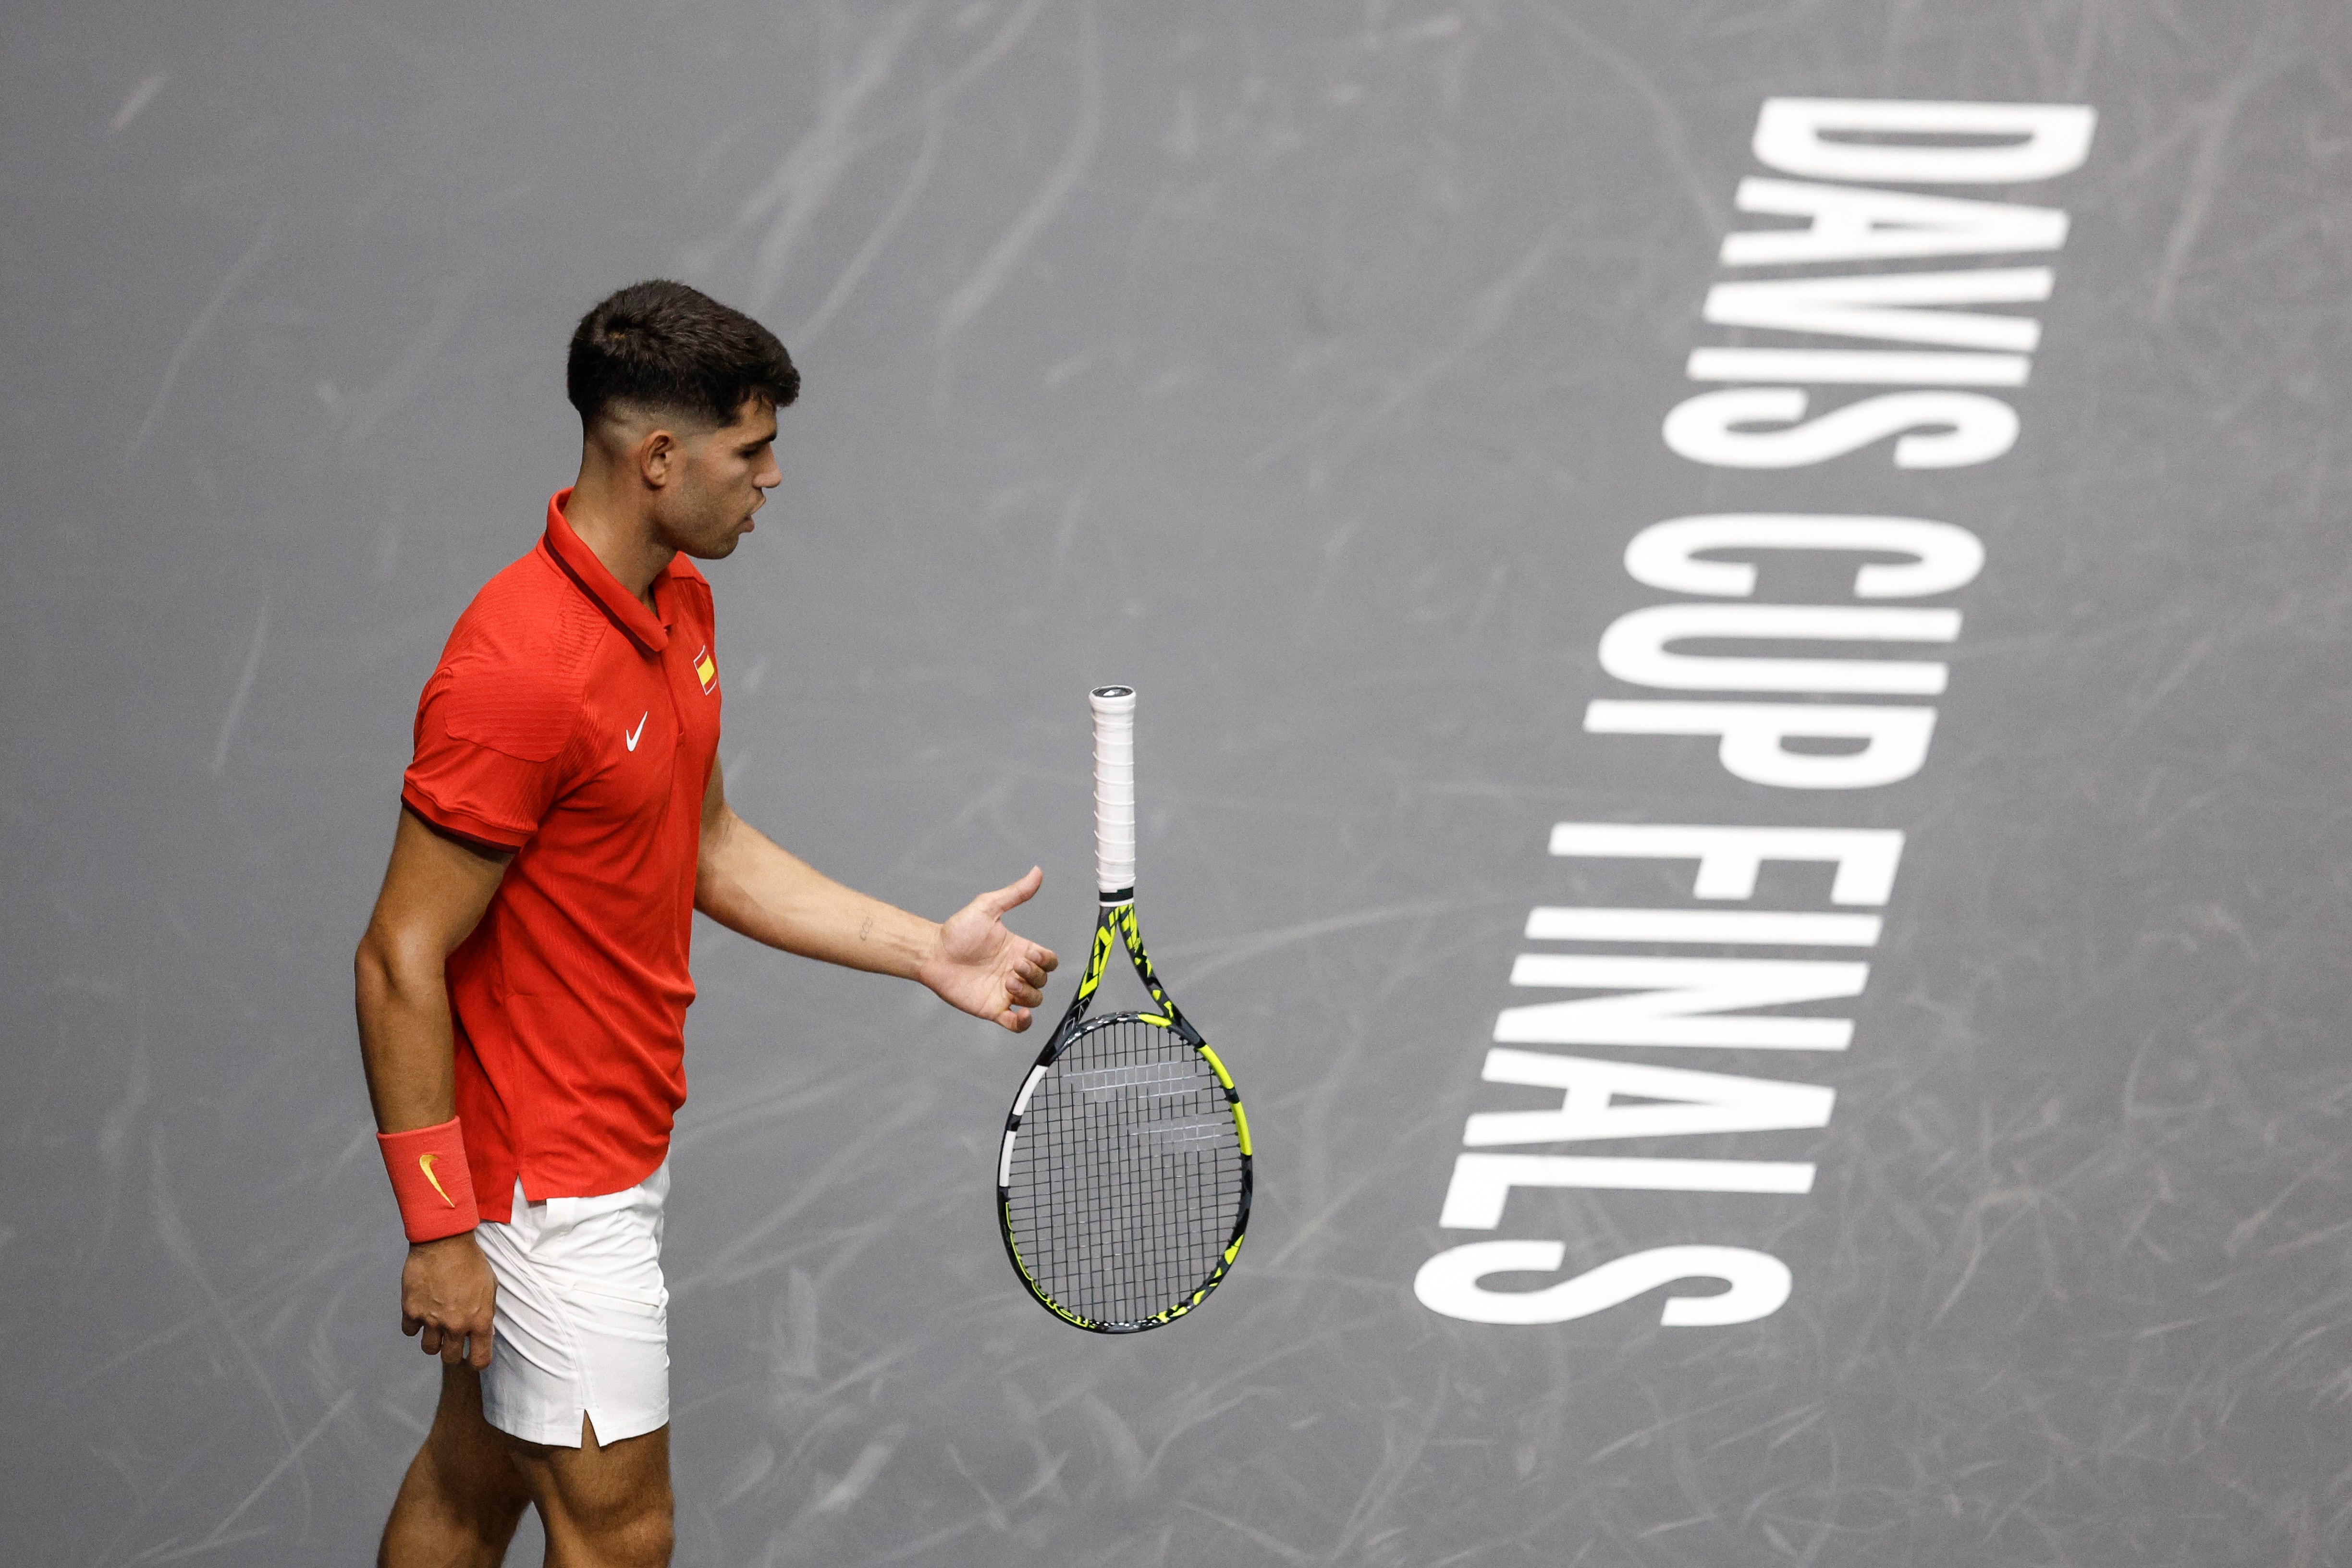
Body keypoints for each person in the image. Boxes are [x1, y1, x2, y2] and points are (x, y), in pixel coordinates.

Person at [354, 279, 1057, 1567]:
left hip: (609, 1136)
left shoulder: (677, 604)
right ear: (661, 459)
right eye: (752, 450)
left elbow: (706, 843)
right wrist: (443, 1225)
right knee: (623, 1536)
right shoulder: (518, 671)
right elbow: (400, 953)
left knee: (475, 1479)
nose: (773, 477)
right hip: (544, 1185)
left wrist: (922, 948)